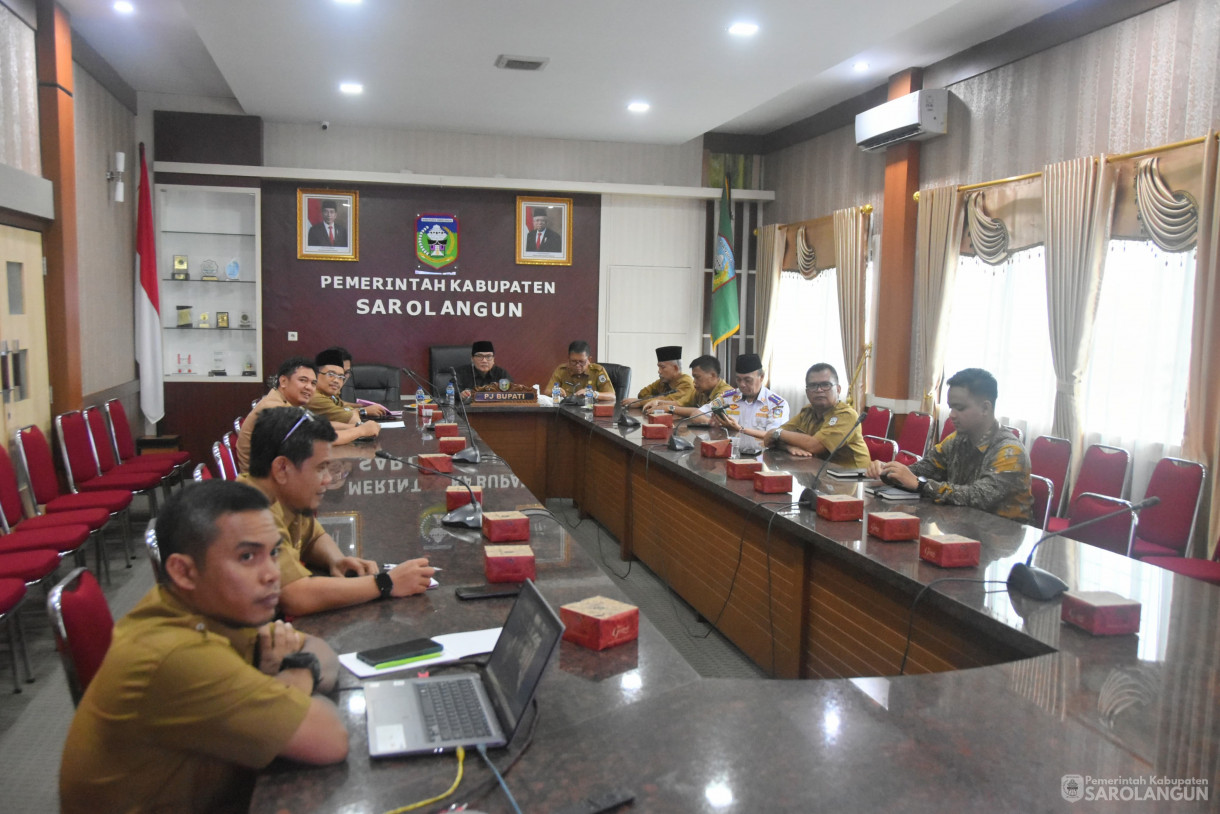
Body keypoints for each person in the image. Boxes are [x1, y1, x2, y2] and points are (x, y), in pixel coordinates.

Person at [59, 480, 348, 813]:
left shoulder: (209, 606)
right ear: (183, 571)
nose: (271, 574)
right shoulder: (174, 653)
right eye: (247, 557)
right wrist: (297, 673)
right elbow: (331, 738)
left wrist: (289, 675)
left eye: (273, 553)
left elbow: (320, 649)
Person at [242, 406, 435, 616]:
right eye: (320, 468)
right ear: (282, 468)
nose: (328, 479)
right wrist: (385, 583)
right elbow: (295, 596)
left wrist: (335, 559)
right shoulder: (249, 514)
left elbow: (313, 536)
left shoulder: (284, 493)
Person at [866, 367, 1033, 523]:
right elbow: (922, 469)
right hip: (962, 527)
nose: (952, 415)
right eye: (951, 407)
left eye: (959, 408)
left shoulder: (1010, 452)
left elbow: (978, 497)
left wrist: (921, 484)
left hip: (1000, 540)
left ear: (985, 408)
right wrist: (887, 470)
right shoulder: (955, 440)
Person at [764, 363, 870, 467]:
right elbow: (770, 440)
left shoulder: (846, 415)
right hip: (820, 474)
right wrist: (788, 447)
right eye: (813, 386)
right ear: (807, 392)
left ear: (838, 389)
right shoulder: (807, 412)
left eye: (825, 385)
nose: (819, 390)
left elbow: (815, 446)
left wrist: (776, 432)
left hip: (852, 478)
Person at [236, 357, 319, 472]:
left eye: (313, 383)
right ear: (283, 381)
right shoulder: (273, 408)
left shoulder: (282, 401)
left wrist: (352, 427)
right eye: (303, 380)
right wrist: (353, 431)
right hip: (263, 484)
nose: (309, 387)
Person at [306, 348, 382, 448]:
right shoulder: (314, 396)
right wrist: (361, 414)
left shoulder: (328, 392)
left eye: (342, 375)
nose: (337, 380)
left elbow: (340, 406)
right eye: (331, 374)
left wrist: (358, 409)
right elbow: (353, 420)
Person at [701, 353, 789, 436]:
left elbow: (774, 436)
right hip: (731, 451)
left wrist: (740, 429)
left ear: (761, 377)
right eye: (738, 379)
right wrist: (713, 423)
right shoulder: (728, 398)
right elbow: (697, 413)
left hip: (762, 452)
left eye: (748, 380)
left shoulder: (777, 404)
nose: (742, 385)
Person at [623, 346, 696, 413]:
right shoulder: (664, 381)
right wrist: (655, 399)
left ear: (675, 368)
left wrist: (640, 402)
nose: (659, 371)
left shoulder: (686, 383)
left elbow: (669, 401)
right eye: (659, 367)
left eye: (662, 367)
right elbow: (642, 393)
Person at [324, 346, 389, 417]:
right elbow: (337, 415)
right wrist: (364, 410)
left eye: (346, 372)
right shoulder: (316, 395)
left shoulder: (331, 391)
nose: (343, 377)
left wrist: (361, 406)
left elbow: (339, 403)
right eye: (338, 372)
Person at [544, 340, 616, 402]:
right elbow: (547, 392)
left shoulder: (597, 371)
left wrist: (592, 393)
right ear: (568, 359)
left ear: (589, 360)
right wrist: (556, 391)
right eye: (573, 361)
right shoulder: (561, 370)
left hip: (590, 411)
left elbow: (612, 396)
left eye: (582, 362)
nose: (577, 365)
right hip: (566, 412)